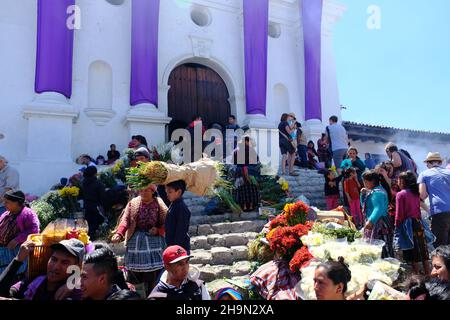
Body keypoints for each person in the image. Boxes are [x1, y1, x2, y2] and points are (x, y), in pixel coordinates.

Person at [111, 184, 168, 295]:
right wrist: (119, 233)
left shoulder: (159, 204)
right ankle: (138, 295)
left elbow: (167, 223)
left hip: (154, 245)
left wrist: (158, 231)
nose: (143, 192)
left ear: (152, 191)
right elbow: (125, 220)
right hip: (136, 245)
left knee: (154, 275)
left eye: (146, 190)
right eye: (141, 190)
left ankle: (154, 295)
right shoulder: (133, 204)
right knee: (135, 276)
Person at [0, 239, 85, 300]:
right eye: (54, 259)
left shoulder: (74, 292)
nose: (56, 267)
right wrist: (18, 259)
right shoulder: (34, 281)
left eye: (65, 262)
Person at [395, 171, 431, 275]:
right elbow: (418, 210)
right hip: (417, 223)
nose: (397, 182)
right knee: (423, 249)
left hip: (407, 226)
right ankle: (428, 274)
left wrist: (397, 227)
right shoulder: (415, 193)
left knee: (412, 250)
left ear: (402, 181)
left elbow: (399, 214)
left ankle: (417, 276)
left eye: (398, 179)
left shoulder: (400, 194)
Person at [418, 153, 450, 247]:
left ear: (428, 163)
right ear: (440, 162)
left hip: (439, 211)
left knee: (440, 245)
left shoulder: (424, 174)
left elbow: (422, 195)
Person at [361, 170, 395, 258]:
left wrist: (371, 221)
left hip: (379, 223)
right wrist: (363, 195)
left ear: (371, 181)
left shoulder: (378, 193)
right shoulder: (375, 190)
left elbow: (378, 208)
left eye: (365, 181)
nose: (364, 184)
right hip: (375, 221)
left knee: (382, 247)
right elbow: (366, 206)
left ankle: (387, 265)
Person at [232, 136, 260, 212]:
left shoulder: (236, 150)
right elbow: (257, 159)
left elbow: (234, 161)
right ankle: (250, 206)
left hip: (240, 172)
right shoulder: (251, 150)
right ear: (246, 142)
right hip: (250, 171)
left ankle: (244, 206)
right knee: (251, 188)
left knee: (242, 188)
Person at [165, 180, 191, 253]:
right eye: (166, 192)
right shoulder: (174, 205)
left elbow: (181, 231)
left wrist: (176, 250)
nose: (167, 194)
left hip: (179, 249)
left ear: (179, 192)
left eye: (170, 192)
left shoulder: (181, 208)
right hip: (174, 246)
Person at [80, 166, 106, 240]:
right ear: (94, 173)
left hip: (87, 206)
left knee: (89, 224)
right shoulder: (98, 183)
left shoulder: (83, 182)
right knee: (95, 224)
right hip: (96, 207)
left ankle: (87, 239)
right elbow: (103, 197)